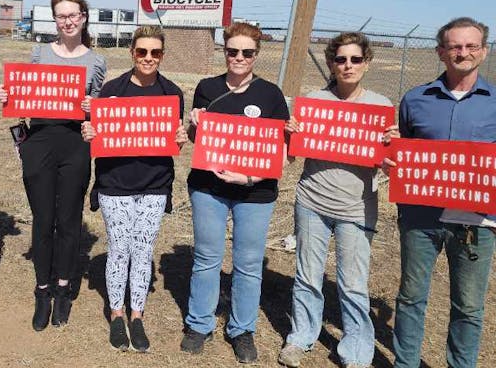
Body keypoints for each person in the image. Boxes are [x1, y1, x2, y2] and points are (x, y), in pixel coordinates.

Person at [383, 17, 496, 368]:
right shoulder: (415, 99)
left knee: (468, 305)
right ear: (441, 52)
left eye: (471, 46)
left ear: (484, 51)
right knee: (412, 297)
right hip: (420, 216)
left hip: (475, 221)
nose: (463, 53)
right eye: (455, 46)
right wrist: (392, 159)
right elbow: (399, 150)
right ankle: (406, 363)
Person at [277, 32, 392, 368]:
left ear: (366, 63)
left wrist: (390, 145)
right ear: (331, 62)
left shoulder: (380, 107)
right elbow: (292, 156)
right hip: (312, 201)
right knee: (307, 277)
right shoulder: (313, 100)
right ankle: (300, 338)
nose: (348, 65)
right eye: (341, 59)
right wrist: (291, 135)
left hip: (356, 207)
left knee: (353, 284)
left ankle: (355, 352)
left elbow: (384, 162)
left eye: (356, 59)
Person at [180, 21, 289, 363]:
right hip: (208, 188)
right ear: (224, 51)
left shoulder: (271, 94)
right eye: (232, 51)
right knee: (207, 258)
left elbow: (280, 151)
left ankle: (242, 330)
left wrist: (250, 178)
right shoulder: (207, 87)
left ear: (257, 54)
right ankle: (199, 323)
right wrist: (193, 125)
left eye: (247, 52)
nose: (239, 58)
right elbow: (201, 142)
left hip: (254, 192)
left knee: (248, 263)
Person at [0, 0, 106, 331]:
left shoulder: (97, 61)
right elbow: (26, 93)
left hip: (75, 144)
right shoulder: (39, 53)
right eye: (61, 16)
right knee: (43, 220)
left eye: (73, 15)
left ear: (84, 17)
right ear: (54, 20)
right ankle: (42, 290)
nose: (68, 21)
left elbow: (100, 111)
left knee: (69, 221)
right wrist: (7, 95)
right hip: (40, 141)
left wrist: (93, 109)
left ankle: (63, 287)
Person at [80, 25, 187, 352]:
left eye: (155, 52)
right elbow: (98, 132)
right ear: (132, 53)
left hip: (155, 185)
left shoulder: (173, 93)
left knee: (143, 251)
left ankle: (136, 314)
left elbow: (173, 138)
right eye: (142, 51)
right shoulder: (113, 90)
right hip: (115, 184)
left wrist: (180, 138)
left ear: (162, 55)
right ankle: (116, 313)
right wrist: (91, 132)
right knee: (119, 248)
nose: (148, 58)